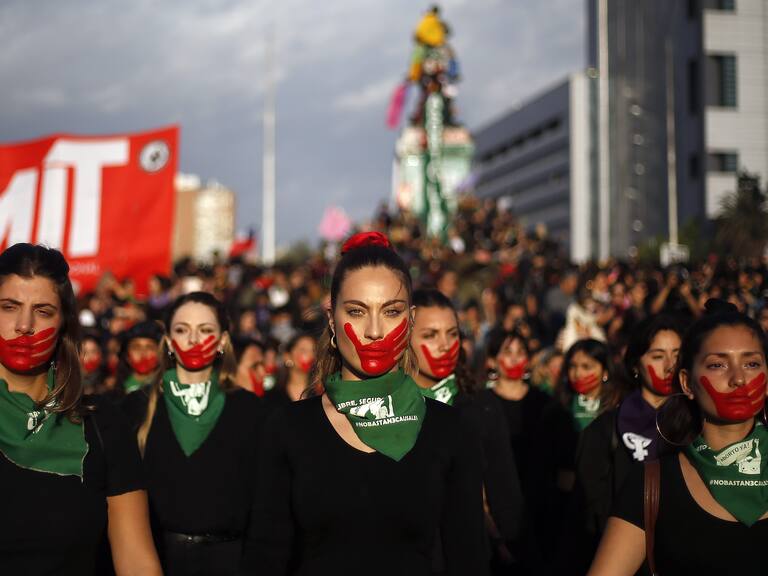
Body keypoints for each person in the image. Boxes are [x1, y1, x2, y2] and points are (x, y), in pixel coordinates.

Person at [242, 232, 487, 575]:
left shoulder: (452, 430)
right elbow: (264, 557)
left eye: (391, 311)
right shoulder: (287, 428)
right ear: (331, 319)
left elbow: (470, 559)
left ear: (411, 319)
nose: (374, 330)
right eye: (357, 311)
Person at [0, 243, 161, 575]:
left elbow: (137, 562)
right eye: (8, 307)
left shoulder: (103, 424)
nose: (24, 325)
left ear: (64, 323)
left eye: (43, 311)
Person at [589, 300, 768, 575]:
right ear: (687, 382)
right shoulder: (651, 483)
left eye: (752, 363)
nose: (738, 379)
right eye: (718, 364)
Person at [123, 291, 263, 576]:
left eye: (206, 330)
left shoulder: (251, 410)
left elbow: (265, 506)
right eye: (182, 330)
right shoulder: (134, 407)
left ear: (223, 340)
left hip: (232, 563)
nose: (194, 340)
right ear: (170, 342)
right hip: (155, 562)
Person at [411, 288, 523, 572]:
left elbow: (505, 493)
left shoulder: (481, 407)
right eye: (430, 335)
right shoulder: (385, 410)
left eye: (452, 334)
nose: (445, 345)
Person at [573, 316, 683, 574]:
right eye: (657, 356)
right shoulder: (603, 431)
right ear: (635, 365)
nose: (670, 366)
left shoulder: (701, 428)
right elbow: (587, 518)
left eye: (677, 355)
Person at [482, 328, 552, 574]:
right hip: (498, 512)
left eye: (520, 352)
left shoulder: (544, 403)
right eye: (507, 352)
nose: (514, 358)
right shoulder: (480, 405)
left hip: (541, 509)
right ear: (491, 360)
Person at [262, 332, 316, 413]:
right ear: (287, 356)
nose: (310, 355)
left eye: (314, 351)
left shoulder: (321, 393)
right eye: (303, 350)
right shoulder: (273, 397)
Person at [113, 320, 163, 396]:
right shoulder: (116, 389)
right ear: (126, 356)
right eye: (136, 347)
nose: (143, 353)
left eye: (150, 347)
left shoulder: (167, 385)